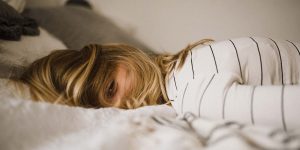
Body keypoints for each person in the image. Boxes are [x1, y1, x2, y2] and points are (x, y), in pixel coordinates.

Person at [10, 37, 300, 130]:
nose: (123, 109)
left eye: (111, 89)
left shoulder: (193, 93)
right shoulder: (188, 63)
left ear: (119, 55)